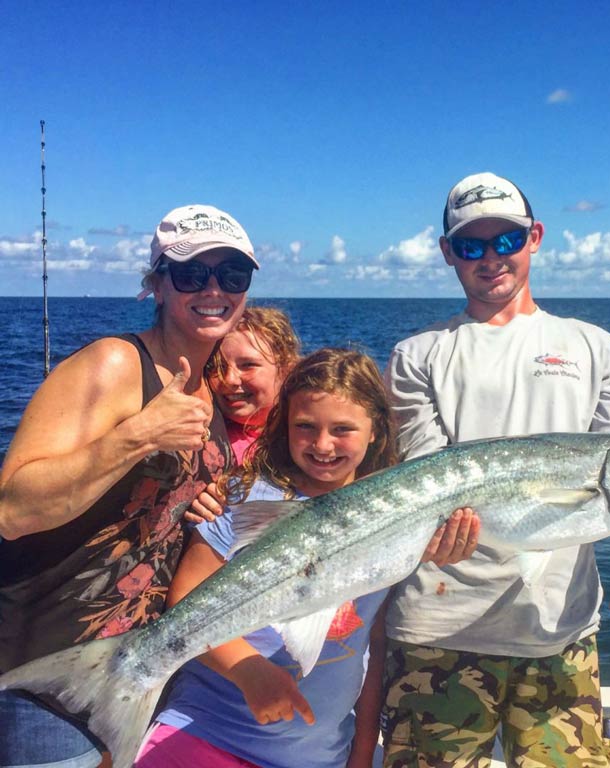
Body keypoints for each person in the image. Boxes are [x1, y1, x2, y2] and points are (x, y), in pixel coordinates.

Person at [379, 171, 610, 767]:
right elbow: (426, 484)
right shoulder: (417, 355)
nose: (491, 257)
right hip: (437, 632)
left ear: (536, 237)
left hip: (560, 631)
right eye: (471, 245)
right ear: (448, 252)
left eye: (507, 240)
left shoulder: (595, 346)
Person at [0, 204, 258, 768]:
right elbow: (12, 509)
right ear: (157, 285)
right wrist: (136, 436)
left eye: (232, 275)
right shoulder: (114, 364)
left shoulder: (211, 395)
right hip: (47, 675)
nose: (213, 288)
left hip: (140, 673)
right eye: (192, 273)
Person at [136, 348, 480, 768]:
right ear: (284, 427)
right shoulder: (244, 497)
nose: (322, 444)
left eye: (342, 429)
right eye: (305, 426)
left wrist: (360, 753)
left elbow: (370, 644)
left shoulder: (398, 515)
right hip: (205, 732)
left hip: (318, 756)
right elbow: (185, 600)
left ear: (375, 430)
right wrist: (250, 671)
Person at [186, 306, 302, 524]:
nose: (229, 379)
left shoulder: (305, 434)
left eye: (248, 365)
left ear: (287, 369)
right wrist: (196, 504)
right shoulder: (204, 437)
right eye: (216, 366)